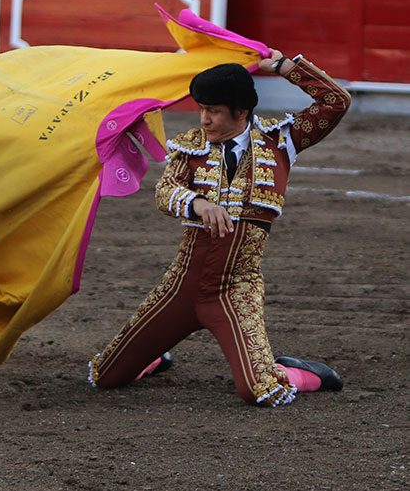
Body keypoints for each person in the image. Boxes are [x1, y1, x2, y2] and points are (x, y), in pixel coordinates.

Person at [88, 49, 352, 407]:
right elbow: (164, 191)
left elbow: (335, 101)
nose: (204, 119)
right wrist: (197, 203)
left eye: (213, 111)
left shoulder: (280, 141)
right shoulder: (190, 148)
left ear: (241, 112)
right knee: (105, 377)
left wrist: (282, 67)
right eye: (201, 109)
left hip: (236, 289)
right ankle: (151, 356)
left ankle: (302, 374)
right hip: (181, 285)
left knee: (262, 391)